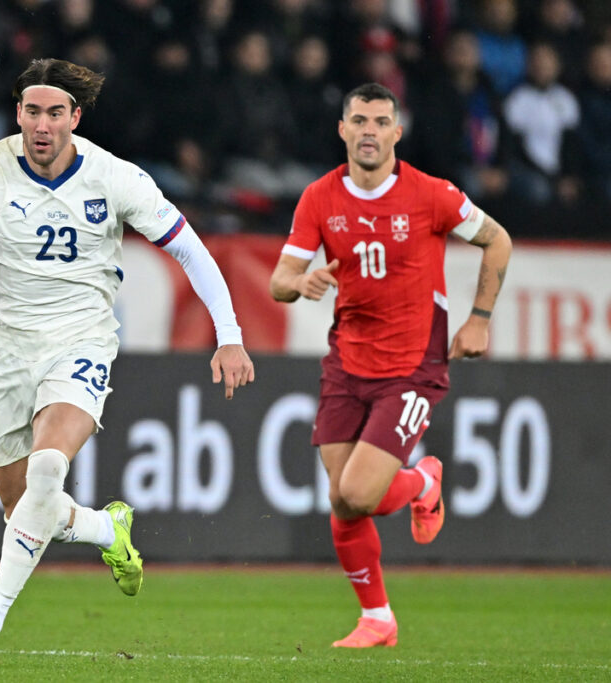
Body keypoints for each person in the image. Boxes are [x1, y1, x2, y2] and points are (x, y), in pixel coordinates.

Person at [0, 58, 255, 663]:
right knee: (24, 511)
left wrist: (229, 334)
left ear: (75, 117)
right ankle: (102, 528)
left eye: (55, 113)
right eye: (32, 112)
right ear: (17, 114)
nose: (42, 125)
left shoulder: (115, 178)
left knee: (47, 472)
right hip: (5, 350)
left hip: (82, 341)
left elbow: (192, 252)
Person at [270, 83, 512, 648]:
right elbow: (280, 280)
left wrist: (477, 320)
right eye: (360, 120)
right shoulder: (319, 198)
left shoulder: (432, 196)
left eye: (381, 121)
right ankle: (377, 617)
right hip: (346, 364)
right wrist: (299, 283)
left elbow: (497, 240)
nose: (370, 131)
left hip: (412, 366)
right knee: (342, 500)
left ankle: (424, 479)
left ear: (397, 132)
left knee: (354, 495)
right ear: (343, 130)